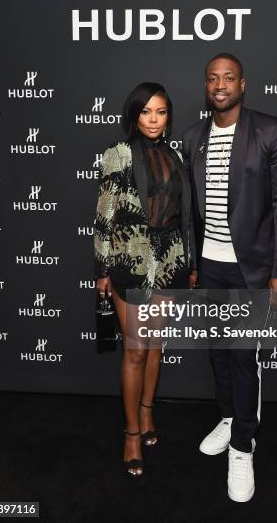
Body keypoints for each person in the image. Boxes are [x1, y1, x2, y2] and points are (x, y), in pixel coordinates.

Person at [182, 53, 277, 502]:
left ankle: (243, 446)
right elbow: (191, 212)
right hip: (209, 267)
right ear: (206, 85)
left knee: (241, 355)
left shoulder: (271, 131)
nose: (220, 85)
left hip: (251, 267)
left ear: (243, 85)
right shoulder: (193, 138)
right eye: (213, 78)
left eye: (229, 78)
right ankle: (229, 416)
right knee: (217, 350)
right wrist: (194, 262)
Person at [94, 82, 197, 478]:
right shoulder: (118, 155)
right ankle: (132, 433)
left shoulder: (175, 156)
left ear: (168, 116)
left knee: (155, 345)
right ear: (134, 116)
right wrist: (101, 271)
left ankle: (148, 413)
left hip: (169, 259)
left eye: (161, 112)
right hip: (131, 261)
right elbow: (104, 215)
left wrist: (188, 262)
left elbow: (184, 215)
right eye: (146, 112)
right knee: (135, 350)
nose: (154, 120)